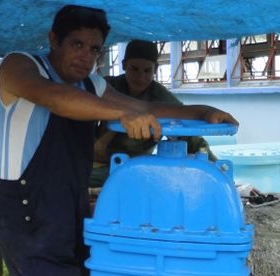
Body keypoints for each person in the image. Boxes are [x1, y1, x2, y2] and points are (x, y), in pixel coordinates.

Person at [0, 4, 237, 276]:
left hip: (69, 217)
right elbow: (58, 100)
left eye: (95, 49)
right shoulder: (19, 68)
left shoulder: (90, 83)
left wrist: (197, 113)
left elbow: (137, 106)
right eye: (76, 44)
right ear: (53, 40)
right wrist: (125, 114)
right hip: (28, 219)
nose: (85, 55)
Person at [89, 39, 211, 187]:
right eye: (134, 69)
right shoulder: (107, 88)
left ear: (156, 68)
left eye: (147, 71)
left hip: (134, 166)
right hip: (93, 160)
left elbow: (191, 138)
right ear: (124, 65)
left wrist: (218, 171)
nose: (140, 77)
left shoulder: (164, 101)